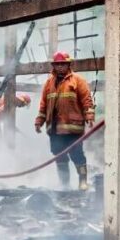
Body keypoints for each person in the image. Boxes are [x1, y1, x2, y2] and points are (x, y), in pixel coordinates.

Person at [35, 51, 95, 190]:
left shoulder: (77, 80)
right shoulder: (49, 83)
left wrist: (89, 116)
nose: (60, 67)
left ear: (68, 64)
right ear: (54, 66)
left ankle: (83, 182)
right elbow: (44, 104)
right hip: (54, 128)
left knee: (77, 154)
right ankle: (64, 184)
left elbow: (86, 100)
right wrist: (39, 121)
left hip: (72, 127)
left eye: (63, 64)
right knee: (59, 155)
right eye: (58, 64)